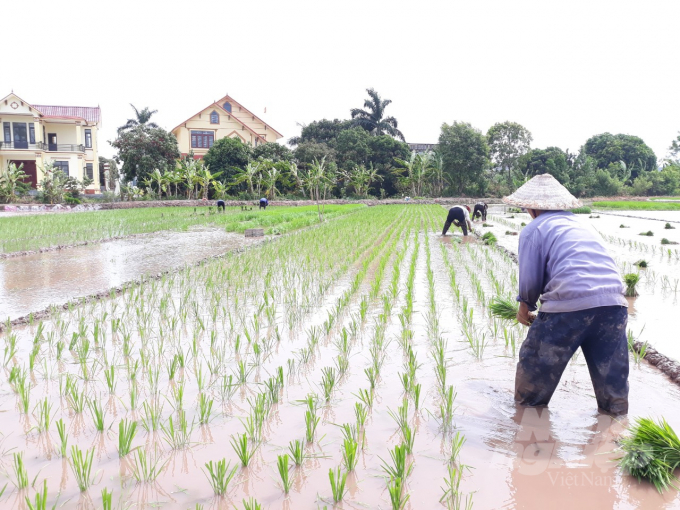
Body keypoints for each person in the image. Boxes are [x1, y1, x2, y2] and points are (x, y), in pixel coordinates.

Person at [504, 174, 629, 415]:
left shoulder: (535, 228)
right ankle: (615, 438)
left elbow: (530, 280)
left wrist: (524, 308)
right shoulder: (584, 225)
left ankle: (529, 434)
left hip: (568, 307)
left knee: (532, 386)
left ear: (531, 207)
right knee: (613, 387)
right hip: (615, 306)